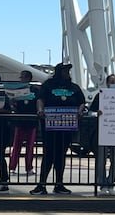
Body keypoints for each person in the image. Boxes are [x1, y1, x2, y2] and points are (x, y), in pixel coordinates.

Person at [30, 63, 86, 195]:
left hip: (66, 126)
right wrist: (40, 110)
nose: (68, 73)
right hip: (50, 126)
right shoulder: (48, 85)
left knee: (61, 155)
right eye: (65, 71)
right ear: (59, 72)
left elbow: (82, 102)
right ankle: (41, 184)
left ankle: (59, 184)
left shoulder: (74, 87)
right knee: (48, 154)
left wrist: (80, 111)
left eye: (68, 71)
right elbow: (40, 99)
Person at [89, 74, 115, 196]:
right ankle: (102, 184)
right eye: (112, 82)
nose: (114, 84)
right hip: (103, 131)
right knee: (101, 160)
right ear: (107, 84)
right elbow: (90, 112)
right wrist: (97, 114)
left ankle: (111, 184)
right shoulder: (100, 96)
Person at [8, 70, 39, 176]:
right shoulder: (18, 90)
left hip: (31, 120)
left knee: (30, 146)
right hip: (20, 120)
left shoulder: (35, 89)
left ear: (28, 78)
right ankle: (12, 167)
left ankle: (29, 167)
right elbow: (14, 103)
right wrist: (13, 101)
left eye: (22, 77)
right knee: (16, 145)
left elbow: (38, 102)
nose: (21, 79)